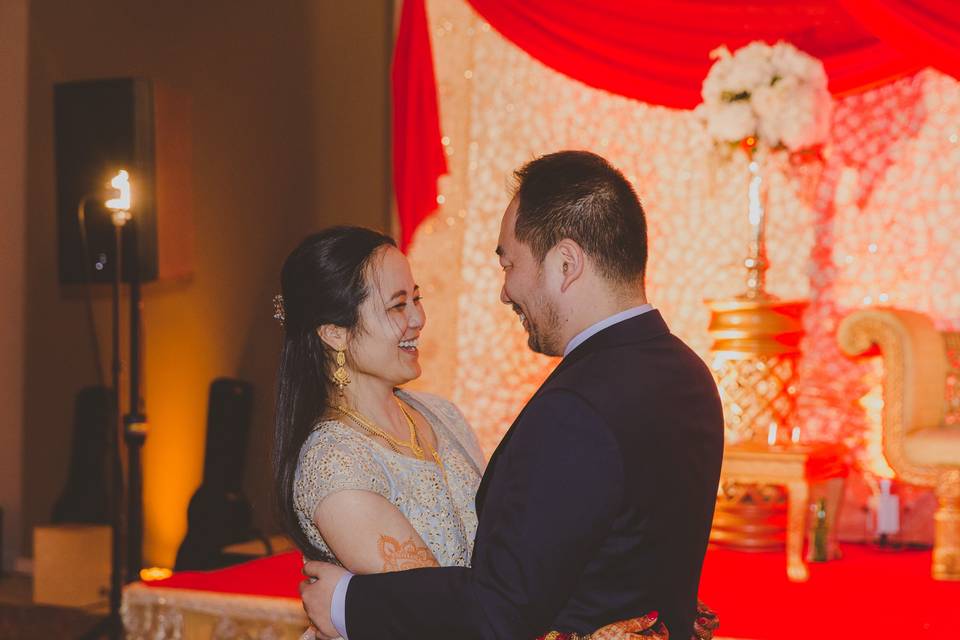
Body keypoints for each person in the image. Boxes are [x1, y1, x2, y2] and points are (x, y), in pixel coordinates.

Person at [300, 151, 725, 639]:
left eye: (510, 262)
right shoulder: (688, 373)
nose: (506, 291)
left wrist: (346, 603)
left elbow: (500, 614)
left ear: (565, 264)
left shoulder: (575, 410)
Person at [272, 227, 487, 635]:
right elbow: (435, 616)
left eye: (417, 298)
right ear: (334, 332)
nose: (418, 319)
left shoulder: (441, 413)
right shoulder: (335, 463)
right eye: (397, 306)